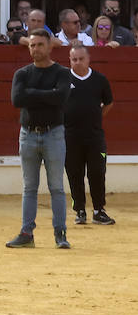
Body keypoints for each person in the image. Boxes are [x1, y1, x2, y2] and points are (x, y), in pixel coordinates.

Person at [7, 29, 72, 250]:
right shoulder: (22, 73)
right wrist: (47, 95)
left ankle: (60, 233)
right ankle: (26, 233)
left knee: (56, 187)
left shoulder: (62, 73)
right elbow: (17, 100)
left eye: (39, 45)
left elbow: (61, 98)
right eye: (32, 45)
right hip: (28, 134)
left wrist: (32, 94)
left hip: (54, 133)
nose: (35, 49)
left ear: (49, 46)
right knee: (30, 187)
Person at [64, 44, 114, 227]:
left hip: (94, 136)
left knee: (97, 172)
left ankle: (99, 210)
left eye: (80, 59)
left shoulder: (99, 79)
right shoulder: (63, 79)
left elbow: (108, 102)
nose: (77, 62)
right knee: (74, 173)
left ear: (88, 59)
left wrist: (96, 115)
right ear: (70, 60)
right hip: (70, 136)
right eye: (74, 59)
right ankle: (80, 210)